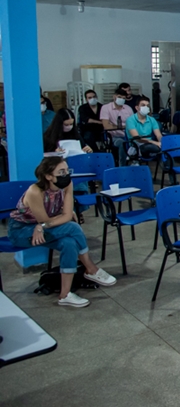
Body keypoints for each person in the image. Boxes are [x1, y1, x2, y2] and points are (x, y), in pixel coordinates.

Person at [7, 157, 117, 307]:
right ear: (48, 176)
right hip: (22, 231)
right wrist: (44, 224)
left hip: (44, 227)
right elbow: (47, 219)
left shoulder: (67, 185)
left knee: (69, 243)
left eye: (67, 170)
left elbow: (64, 216)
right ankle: (91, 268)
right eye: (61, 172)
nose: (66, 175)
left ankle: (65, 295)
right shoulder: (35, 191)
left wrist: (46, 224)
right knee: (73, 227)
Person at [100, 88, 135, 166]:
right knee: (122, 143)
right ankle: (122, 165)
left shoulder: (128, 108)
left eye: (123, 98)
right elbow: (106, 126)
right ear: (114, 97)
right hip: (114, 136)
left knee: (139, 141)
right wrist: (123, 126)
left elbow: (133, 124)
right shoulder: (106, 108)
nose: (121, 99)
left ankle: (135, 162)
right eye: (119, 97)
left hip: (128, 135)